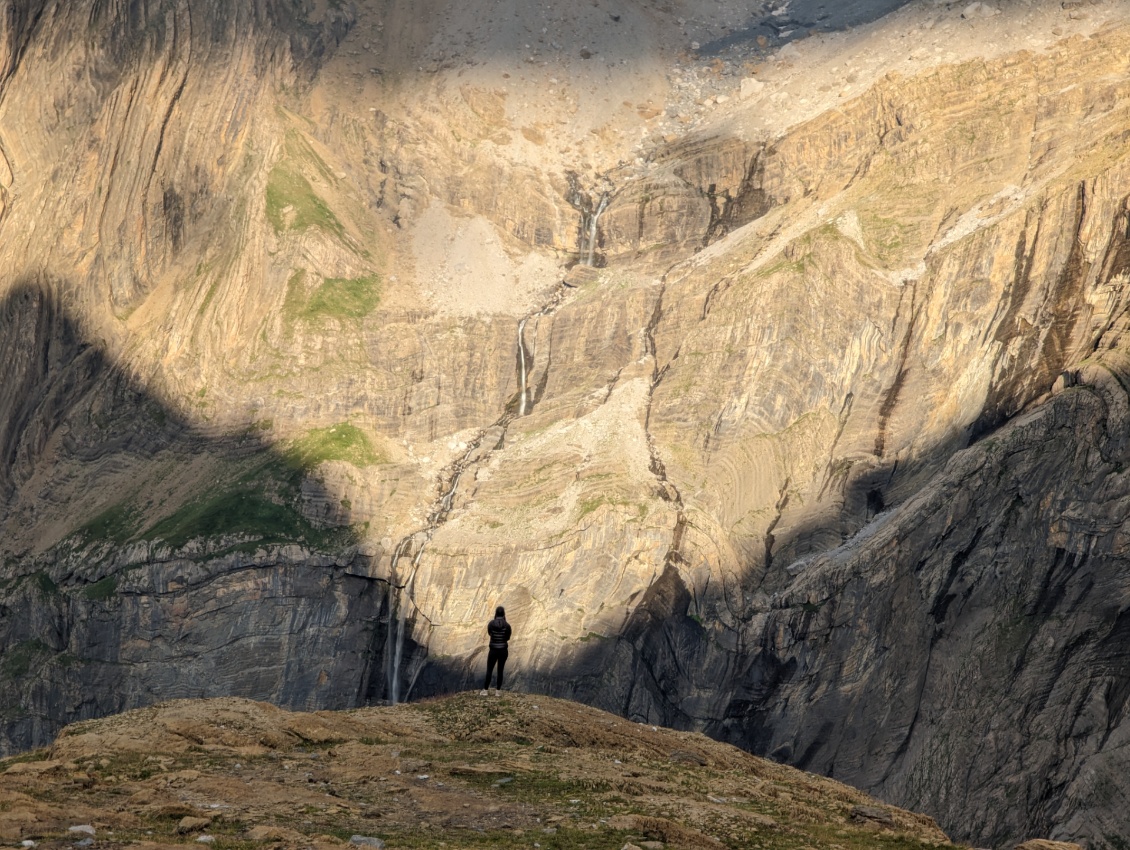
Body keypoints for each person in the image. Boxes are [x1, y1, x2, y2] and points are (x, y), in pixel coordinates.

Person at [481, 605, 511, 694]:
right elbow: (508, 637)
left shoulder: (491, 624)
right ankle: (498, 691)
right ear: (504, 614)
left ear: (496, 613)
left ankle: (485, 690)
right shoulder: (507, 625)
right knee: (500, 670)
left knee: (489, 669)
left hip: (493, 650)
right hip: (503, 650)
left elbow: (490, 633)